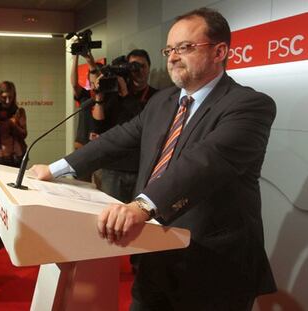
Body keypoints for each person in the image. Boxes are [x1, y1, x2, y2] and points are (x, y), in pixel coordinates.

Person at [30, 7, 277, 310]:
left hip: (214, 265)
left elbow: (204, 162)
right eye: (170, 49)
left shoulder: (249, 105)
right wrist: (55, 169)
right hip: (155, 254)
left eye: (185, 47)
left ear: (219, 51)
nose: (172, 56)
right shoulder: (163, 101)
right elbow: (117, 139)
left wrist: (142, 206)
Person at [92, 49, 157, 203]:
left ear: (149, 68)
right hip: (113, 168)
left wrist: (126, 95)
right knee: (111, 215)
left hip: (141, 169)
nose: (138, 71)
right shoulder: (114, 94)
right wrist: (99, 97)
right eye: (134, 67)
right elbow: (98, 126)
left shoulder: (157, 97)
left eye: (142, 66)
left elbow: (145, 122)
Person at [70, 50, 103, 183]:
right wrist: (75, 57)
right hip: (82, 147)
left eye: (96, 74)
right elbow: (74, 83)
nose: (93, 78)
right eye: (91, 74)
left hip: (99, 149)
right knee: (81, 186)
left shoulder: (108, 99)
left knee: (100, 187)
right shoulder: (85, 95)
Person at [0, 81, 27, 168]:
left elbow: (23, 134)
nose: (8, 101)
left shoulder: (19, 112)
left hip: (16, 156)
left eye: (10, 97)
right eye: (4, 97)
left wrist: (11, 123)